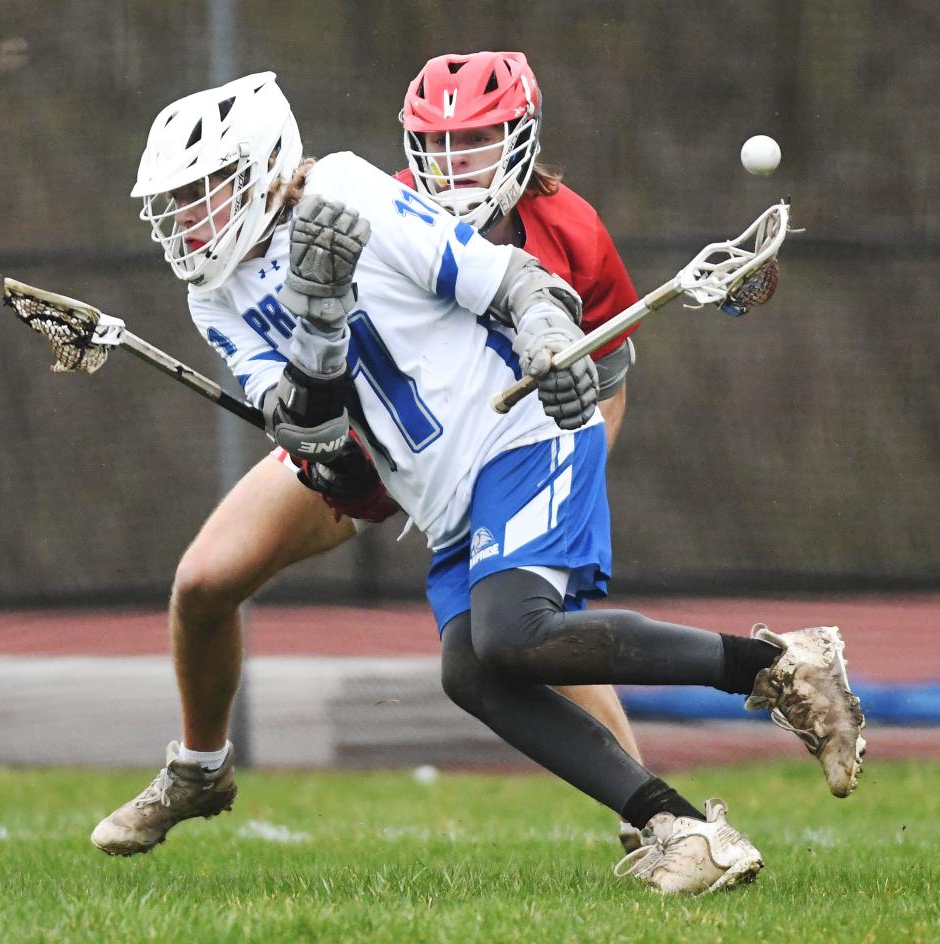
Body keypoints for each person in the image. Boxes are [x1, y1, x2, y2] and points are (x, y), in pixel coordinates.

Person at [93, 67, 866, 896]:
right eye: (176, 200)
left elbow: (510, 278)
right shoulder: (213, 300)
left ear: (261, 167)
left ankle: (770, 667)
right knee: (471, 670)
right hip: (440, 488)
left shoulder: (351, 188)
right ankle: (678, 827)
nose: (186, 218)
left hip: (520, 433)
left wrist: (541, 332)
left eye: (205, 190)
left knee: (512, 632)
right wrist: (317, 335)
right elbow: (306, 428)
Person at [90, 62, 643, 861]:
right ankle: (200, 769)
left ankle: (646, 807)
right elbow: (298, 410)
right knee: (203, 583)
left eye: (478, 140)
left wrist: (555, 465)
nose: (457, 162)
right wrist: (314, 415)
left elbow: (607, 364)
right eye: (439, 143)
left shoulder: (549, 223)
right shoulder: (219, 285)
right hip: (350, 444)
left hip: (478, 431)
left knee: (528, 612)